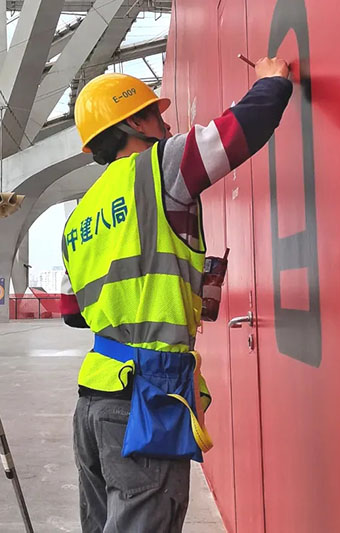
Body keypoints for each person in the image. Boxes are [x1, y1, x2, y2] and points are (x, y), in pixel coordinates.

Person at [61, 57, 292, 533]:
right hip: (145, 395)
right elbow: (238, 131)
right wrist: (272, 79)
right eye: (156, 115)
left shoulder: (79, 218)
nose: (167, 125)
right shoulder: (157, 168)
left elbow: (73, 312)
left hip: (95, 398)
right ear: (132, 123)